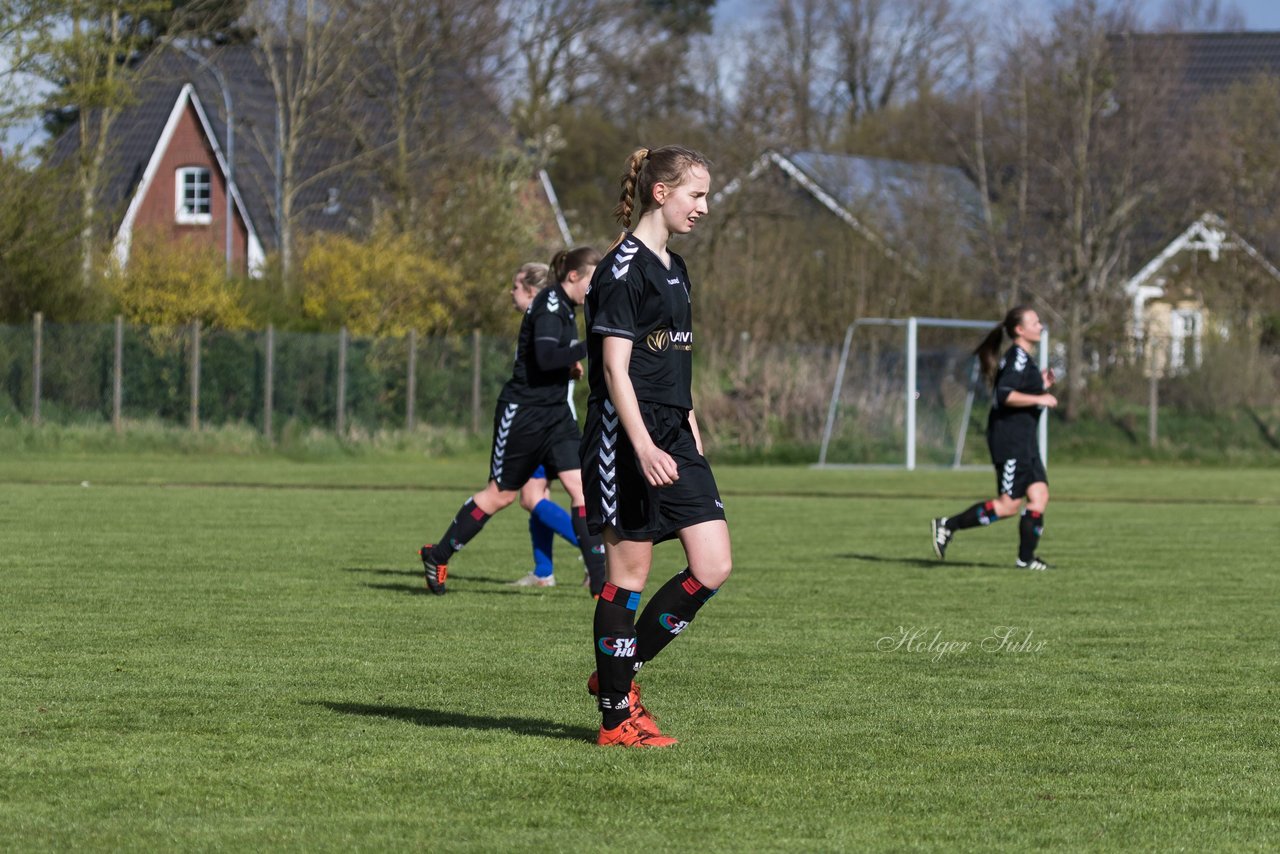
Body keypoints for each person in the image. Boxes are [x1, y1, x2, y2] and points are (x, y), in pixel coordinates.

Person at [580, 146, 731, 748]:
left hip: (673, 432)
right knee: (629, 575)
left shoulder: (677, 268)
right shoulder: (621, 270)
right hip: (626, 435)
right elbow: (615, 371)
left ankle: (618, 670)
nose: (704, 207)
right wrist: (641, 445)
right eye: (696, 195)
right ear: (661, 193)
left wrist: (689, 422)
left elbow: (669, 357)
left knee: (713, 564)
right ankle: (617, 717)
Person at [419, 249, 607, 595]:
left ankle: (600, 581)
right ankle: (438, 554)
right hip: (525, 414)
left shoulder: (566, 307)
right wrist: (587, 346)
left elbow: (551, 358)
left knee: (581, 488)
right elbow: (546, 356)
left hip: (556, 416)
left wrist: (571, 363)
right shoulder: (551, 305)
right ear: (574, 277)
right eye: (592, 280)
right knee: (501, 495)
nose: (594, 288)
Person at [931, 306, 1057, 570]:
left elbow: (1017, 390)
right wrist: (1040, 397)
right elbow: (1004, 395)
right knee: (1008, 505)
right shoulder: (1016, 359)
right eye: (1035, 322)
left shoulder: (1025, 359)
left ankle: (1025, 560)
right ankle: (948, 525)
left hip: (1025, 440)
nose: (1040, 326)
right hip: (1009, 440)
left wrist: (1041, 384)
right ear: (1019, 330)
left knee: (1039, 495)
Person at [501, 264, 586, 589]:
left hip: (545, 421)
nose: (512, 292)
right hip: (547, 418)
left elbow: (559, 361)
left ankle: (595, 553)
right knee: (537, 494)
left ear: (533, 292)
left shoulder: (548, 318)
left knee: (531, 497)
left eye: (516, 286)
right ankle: (543, 572)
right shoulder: (548, 319)